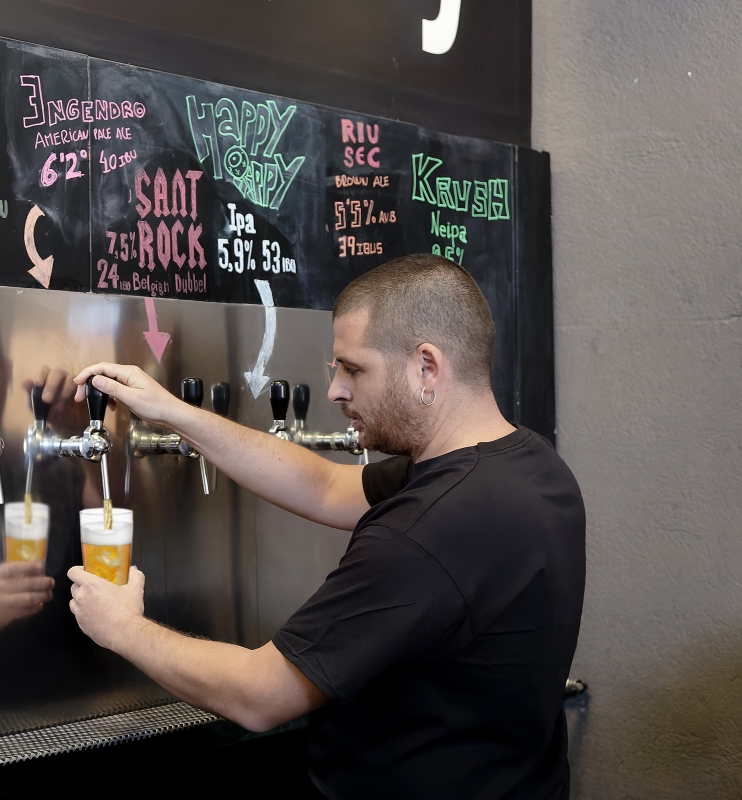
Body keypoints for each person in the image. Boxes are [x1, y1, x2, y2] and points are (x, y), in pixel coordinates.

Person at [68, 254, 586, 800]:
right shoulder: (530, 467)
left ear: (426, 367)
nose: (336, 390)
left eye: (353, 368)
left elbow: (259, 694)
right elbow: (323, 485)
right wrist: (175, 412)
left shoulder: (421, 535)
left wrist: (122, 627)